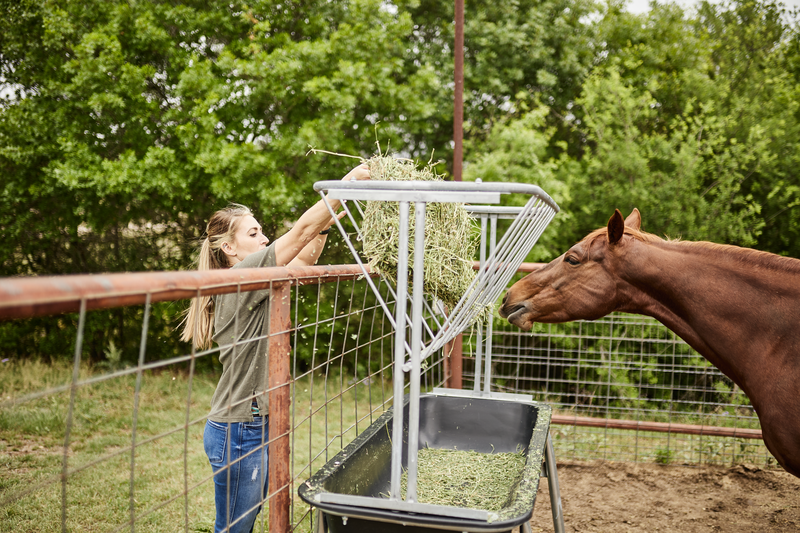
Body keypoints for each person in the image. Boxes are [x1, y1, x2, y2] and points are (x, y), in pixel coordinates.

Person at [181, 164, 369, 533]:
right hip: (240, 427)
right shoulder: (240, 278)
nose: (265, 238)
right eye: (254, 233)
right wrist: (341, 189)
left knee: (242, 526)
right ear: (230, 247)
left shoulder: (256, 277)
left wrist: (325, 223)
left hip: (254, 423)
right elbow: (297, 233)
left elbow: (304, 257)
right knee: (235, 529)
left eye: (263, 231)